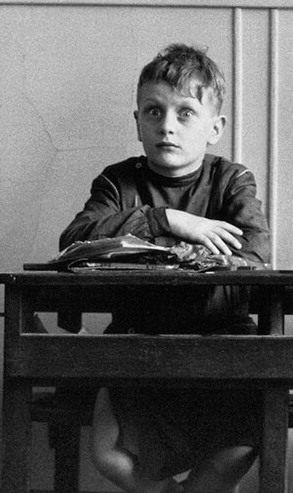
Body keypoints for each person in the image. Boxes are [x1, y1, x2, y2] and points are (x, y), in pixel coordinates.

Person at [60, 43, 270, 493]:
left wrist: (162, 269)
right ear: (137, 122)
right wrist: (171, 221)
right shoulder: (120, 181)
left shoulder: (232, 181)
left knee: (244, 441)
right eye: (153, 112)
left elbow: (252, 262)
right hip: (139, 346)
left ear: (215, 127)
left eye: (185, 114)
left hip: (221, 345)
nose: (167, 126)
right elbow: (76, 239)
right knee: (107, 452)